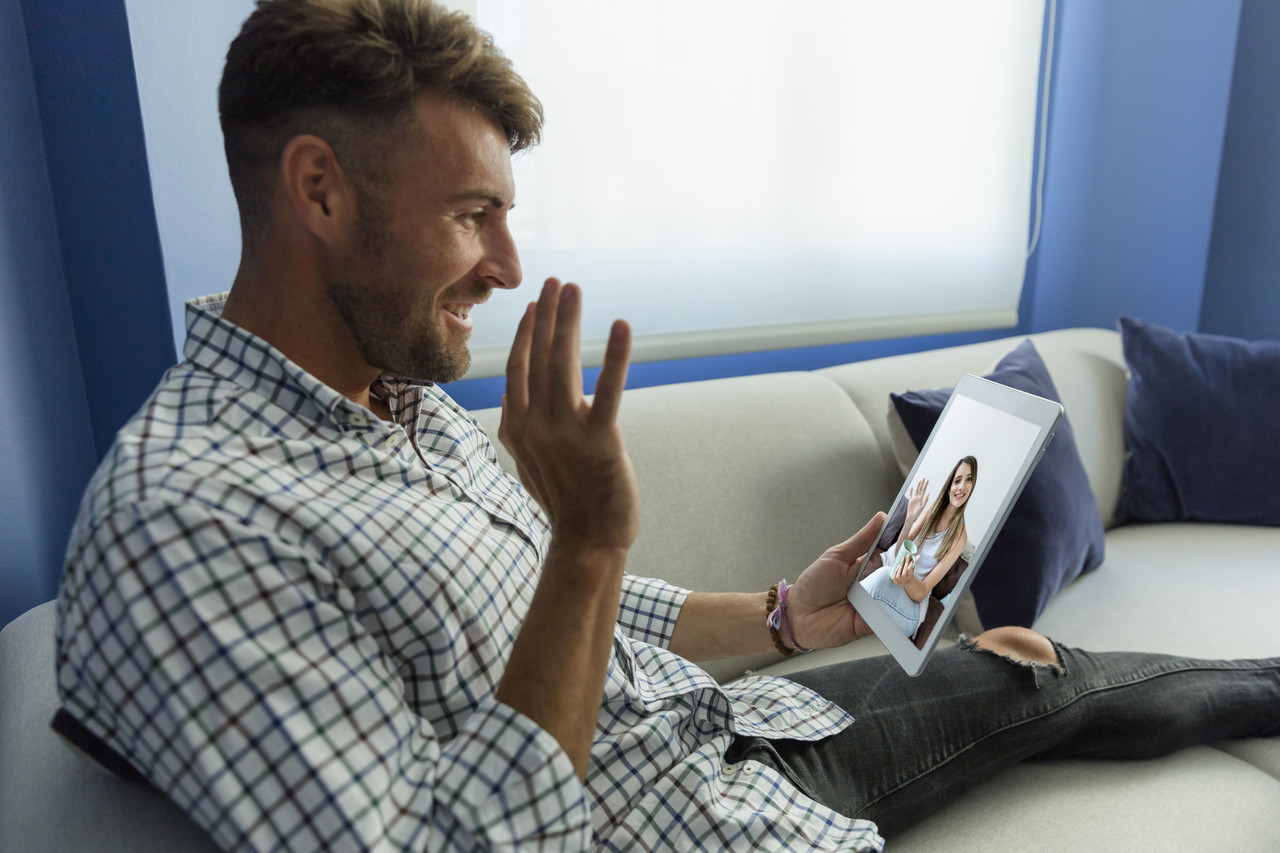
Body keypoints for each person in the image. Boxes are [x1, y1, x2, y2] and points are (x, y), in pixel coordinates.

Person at [52, 2, 1280, 851]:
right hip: (686, 820)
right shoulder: (186, 519)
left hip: (722, 735)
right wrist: (586, 538)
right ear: (317, 189)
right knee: (1035, 690)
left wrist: (787, 613)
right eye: (472, 213)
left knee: (1034, 670)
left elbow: (531, 601)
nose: (506, 264)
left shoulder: (396, 403)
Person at [860, 457, 976, 639]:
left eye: (968, 480)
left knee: (878, 578)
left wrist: (907, 580)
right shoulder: (933, 510)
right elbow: (899, 551)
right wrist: (909, 519)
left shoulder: (959, 537)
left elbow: (922, 591)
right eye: (957, 480)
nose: (962, 486)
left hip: (911, 605)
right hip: (892, 573)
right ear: (948, 487)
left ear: (972, 486)